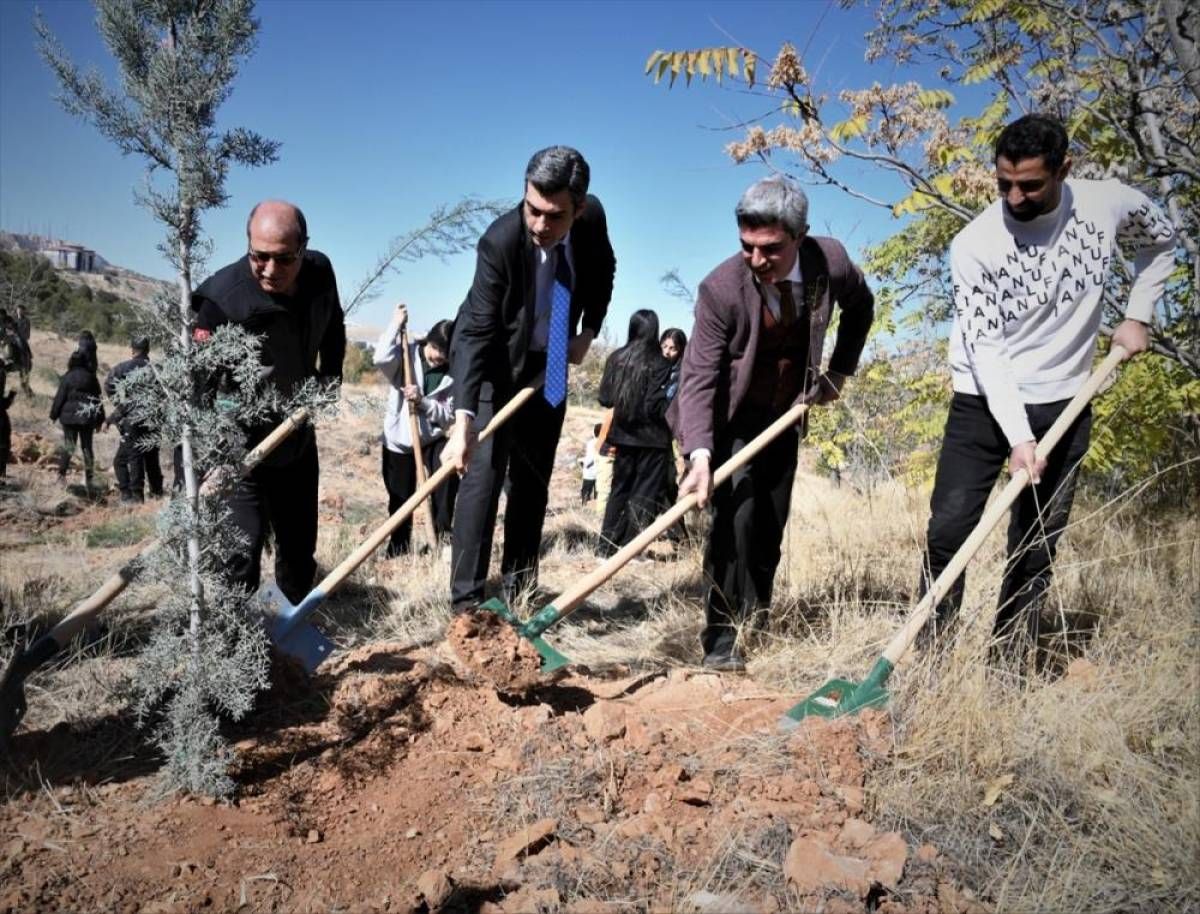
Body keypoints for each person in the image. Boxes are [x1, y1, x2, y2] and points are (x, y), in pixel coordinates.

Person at [920, 113, 1176, 662]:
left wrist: (1139, 315)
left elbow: (1161, 245)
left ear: (1065, 169)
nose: (1014, 197)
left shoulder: (1107, 203)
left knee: (1036, 540)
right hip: (982, 401)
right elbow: (986, 350)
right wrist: (1018, 436)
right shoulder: (975, 244)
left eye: (1030, 184)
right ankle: (931, 659)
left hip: (1067, 397)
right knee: (950, 530)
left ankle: (1008, 661)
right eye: (1003, 183)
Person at [670, 175, 875, 671]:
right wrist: (699, 454)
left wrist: (840, 372)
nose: (757, 261)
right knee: (732, 524)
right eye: (747, 247)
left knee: (768, 525)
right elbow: (697, 376)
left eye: (770, 250)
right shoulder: (720, 289)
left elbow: (862, 307)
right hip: (728, 419)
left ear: (799, 237)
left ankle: (754, 620)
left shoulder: (832, 263)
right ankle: (720, 640)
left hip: (785, 416)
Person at [442, 146, 616, 611]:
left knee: (532, 480)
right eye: (532, 209)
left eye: (554, 216)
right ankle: (467, 605)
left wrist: (589, 331)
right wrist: (463, 422)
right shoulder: (499, 241)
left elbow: (604, 272)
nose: (539, 225)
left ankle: (520, 592)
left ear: (578, 208)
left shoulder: (592, 221)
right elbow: (477, 331)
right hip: (494, 362)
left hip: (554, 358)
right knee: (481, 477)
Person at [191, 200, 346, 606]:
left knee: (298, 557)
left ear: (303, 247)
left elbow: (334, 327)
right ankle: (235, 654)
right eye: (259, 257)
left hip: (295, 437)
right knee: (239, 558)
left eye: (284, 258)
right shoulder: (222, 302)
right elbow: (197, 391)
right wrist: (201, 464)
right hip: (240, 451)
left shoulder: (320, 272)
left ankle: (285, 647)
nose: (271, 270)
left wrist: (329, 378)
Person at [374, 303, 456, 556]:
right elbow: (380, 358)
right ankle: (398, 548)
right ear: (427, 342)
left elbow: (448, 416)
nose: (437, 357)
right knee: (400, 499)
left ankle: (441, 543)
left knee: (446, 487)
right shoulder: (406, 355)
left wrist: (423, 402)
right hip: (400, 438)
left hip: (432, 438)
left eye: (444, 353)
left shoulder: (454, 372)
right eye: (434, 349)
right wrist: (395, 324)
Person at [597, 309, 673, 555]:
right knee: (645, 495)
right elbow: (655, 405)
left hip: (622, 435)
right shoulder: (662, 363)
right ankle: (631, 550)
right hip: (654, 440)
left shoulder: (616, 358)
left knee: (619, 490)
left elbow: (605, 398)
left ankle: (605, 548)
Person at [105, 336, 164, 503]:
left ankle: (137, 496)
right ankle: (157, 491)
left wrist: (122, 405)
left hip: (133, 417)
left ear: (132, 349)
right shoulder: (156, 368)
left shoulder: (123, 367)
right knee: (152, 455)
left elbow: (109, 384)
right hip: (154, 417)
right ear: (148, 350)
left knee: (135, 455)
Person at [50, 348, 105, 491]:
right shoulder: (91, 377)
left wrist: (53, 415)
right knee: (87, 448)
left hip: (69, 419)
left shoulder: (67, 377)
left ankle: (61, 477)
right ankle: (89, 479)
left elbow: (59, 398)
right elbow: (98, 400)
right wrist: (100, 420)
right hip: (87, 418)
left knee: (69, 446)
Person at [13, 305, 32, 395]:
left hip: (22, 342)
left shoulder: (26, 321)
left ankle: (25, 385)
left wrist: (19, 335)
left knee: (26, 365)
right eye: (18, 310)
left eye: (21, 310)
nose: (19, 312)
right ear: (16, 310)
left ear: (24, 311)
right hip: (12, 341)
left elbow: (27, 336)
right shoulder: (12, 320)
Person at [579, 423, 600, 505]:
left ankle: (584, 506)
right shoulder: (606, 442)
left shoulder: (591, 443)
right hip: (600, 472)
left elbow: (590, 457)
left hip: (590, 472)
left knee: (586, 493)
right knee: (598, 494)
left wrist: (583, 463)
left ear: (594, 432)